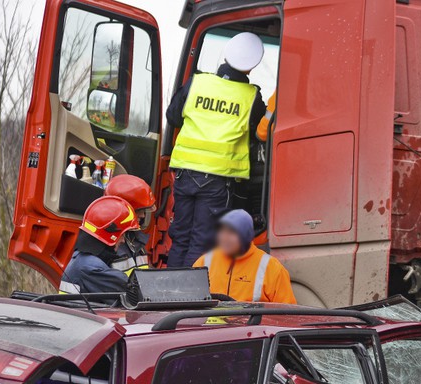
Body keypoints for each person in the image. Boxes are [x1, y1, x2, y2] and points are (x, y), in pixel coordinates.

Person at [166, 32, 267, 268]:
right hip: (217, 180)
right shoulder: (251, 97)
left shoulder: (197, 82)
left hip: (183, 174)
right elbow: (258, 134)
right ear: (251, 67)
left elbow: (172, 117)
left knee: (180, 238)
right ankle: (189, 301)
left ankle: (167, 296)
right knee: (202, 242)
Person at [194, 209, 296, 304]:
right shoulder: (204, 261)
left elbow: (287, 314)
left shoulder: (272, 268)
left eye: (231, 233)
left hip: (253, 323)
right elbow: (188, 300)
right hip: (208, 323)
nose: (225, 238)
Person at [59, 196, 139, 295]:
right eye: (122, 234)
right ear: (110, 233)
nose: (123, 240)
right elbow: (132, 291)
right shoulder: (91, 269)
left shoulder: (81, 259)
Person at [104, 174, 157, 275]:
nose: (143, 215)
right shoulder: (106, 245)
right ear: (122, 210)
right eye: (140, 210)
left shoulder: (134, 238)